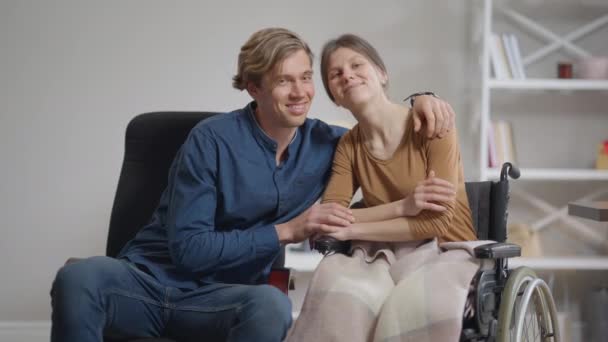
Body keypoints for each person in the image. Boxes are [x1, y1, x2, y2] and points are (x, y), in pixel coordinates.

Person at [50, 28, 457, 342]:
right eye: (283, 81)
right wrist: (289, 230)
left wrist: (422, 98)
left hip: (223, 299)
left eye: (305, 78)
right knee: (79, 277)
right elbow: (190, 250)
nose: (299, 93)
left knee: (270, 305)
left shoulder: (329, 144)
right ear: (254, 87)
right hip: (148, 283)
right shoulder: (210, 139)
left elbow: (377, 127)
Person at [286, 34, 478, 342]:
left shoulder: (432, 125)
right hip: (385, 253)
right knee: (338, 292)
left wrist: (351, 229)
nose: (347, 74)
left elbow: (436, 222)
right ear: (335, 96)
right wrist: (403, 207)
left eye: (356, 64)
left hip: (446, 249)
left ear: (382, 74)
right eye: (335, 74)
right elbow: (329, 220)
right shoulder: (349, 145)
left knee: (412, 305)